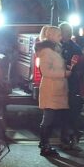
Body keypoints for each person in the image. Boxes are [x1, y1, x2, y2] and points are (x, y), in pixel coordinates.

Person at [35, 26, 71, 157]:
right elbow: (46, 71)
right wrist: (64, 73)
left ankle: (44, 143)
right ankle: (45, 146)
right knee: (48, 119)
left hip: (56, 88)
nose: (61, 37)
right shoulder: (46, 51)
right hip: (51, 89)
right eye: (58, 35)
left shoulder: (54, 49)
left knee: (51, 118)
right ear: (51, 36)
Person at [58, 23, 83, 148]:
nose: (64, 34)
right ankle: (66, 135)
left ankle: (71, 135)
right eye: (62, 31)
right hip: (59, 83)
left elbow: (80, 65)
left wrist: (73, 70)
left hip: (72, 84)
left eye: (67, 31)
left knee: (71, 110)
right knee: (62, 111)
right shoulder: (56, 47)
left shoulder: (75, 48)